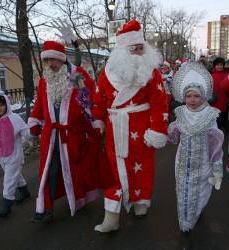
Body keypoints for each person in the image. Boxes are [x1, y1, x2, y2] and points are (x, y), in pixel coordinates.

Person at [92, 19, 169, 233]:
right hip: (115, 130)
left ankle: (141, 201)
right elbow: (99, 100)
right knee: (114, 171)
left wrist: (157, 130)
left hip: (143, 130)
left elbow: (159, 102)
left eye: (140, 47)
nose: (137, 51)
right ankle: (111, 216)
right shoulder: (107, 73)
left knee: (143, 168)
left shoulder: (152, 72)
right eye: (133, 48)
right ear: (122, 50)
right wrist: (98, 120)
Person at [28, 40, 101, 223]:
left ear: (62, 59)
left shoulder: (75, 76)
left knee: (74, 169)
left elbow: (87, 99)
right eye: (47, 61)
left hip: (72, 135)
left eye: (54, 60)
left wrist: (91, 122)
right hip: (51, 135)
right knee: (48, 170)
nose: (51, 65)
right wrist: (35, 120)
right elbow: (39, 104)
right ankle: (45, 208)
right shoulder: (45, 81)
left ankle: (78, 198)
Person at [168, 62, 224, 249]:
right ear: (184, 97)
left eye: (196, 96)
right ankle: (185, 224)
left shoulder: (210, 115)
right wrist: (170, 132)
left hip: (203, 163)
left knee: (199, 192)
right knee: (182, 191)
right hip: (182, 162)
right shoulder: (180, 112)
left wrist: (217, 169)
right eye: (188, 96)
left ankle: (194, 214)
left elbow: (216, 144)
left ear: (203, 96)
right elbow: (174, 138)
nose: (192, 100)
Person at [0, 90, 31, 217]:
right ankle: (24, 191)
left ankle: (7, 203)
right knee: (13, 176)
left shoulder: (14, 119)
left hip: (14, 156)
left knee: (8, 180)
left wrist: (34, 131)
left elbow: (26, 132)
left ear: (6, 104)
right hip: (1, 156)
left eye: (1, 105)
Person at [209, 57, 229, 131]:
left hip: (224, 99)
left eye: (221, 65)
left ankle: (222, 130)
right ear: (214, 66)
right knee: (216, 117)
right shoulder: (211, 76)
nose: (219, 66)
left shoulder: (227, 75)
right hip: (215, 99)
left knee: (223, 115)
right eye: (217, 65)